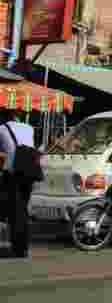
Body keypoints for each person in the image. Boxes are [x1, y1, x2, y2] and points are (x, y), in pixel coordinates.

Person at [0, 109, 35, 259]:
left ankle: (18, 249)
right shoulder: (29, 128)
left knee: (15, 211)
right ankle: (22, 247)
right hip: (30, 173)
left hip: (13, 173)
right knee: (22, 211)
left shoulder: (1, 128)